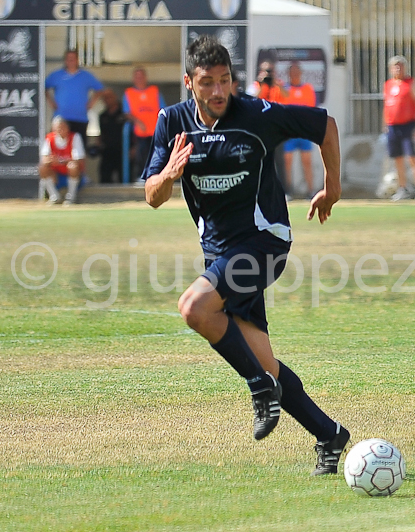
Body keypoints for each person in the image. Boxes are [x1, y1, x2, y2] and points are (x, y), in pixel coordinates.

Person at [142, 35, 349, 475]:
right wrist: (168, 175)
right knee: (264, 359)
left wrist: (333, 187)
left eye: (224, 81)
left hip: (265, 242)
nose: (218, 92)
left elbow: (325, 126)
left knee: (194, 308)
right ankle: (328, 434)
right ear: (189, 83)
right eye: (207, 83)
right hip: (219, 253)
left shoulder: (255, 114)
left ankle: (259, 389)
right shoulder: (172, 122)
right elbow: (152, 196)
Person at [383, 55, 415, 201]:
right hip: (393, 126)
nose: (397, 68)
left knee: (412, 158)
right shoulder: (388, 84)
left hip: (408, 125)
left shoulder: (411, 83)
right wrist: (385, 124)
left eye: (400, 65)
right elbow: (387, 106)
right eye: (395, 66)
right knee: (397, 159)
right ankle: (403, 188)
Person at [45, 49, 103, 151]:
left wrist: (91, 103)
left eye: (73, 59)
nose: (70, 61)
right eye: (68, 59)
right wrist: (51, 102)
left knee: (79, 150)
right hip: (61, 119)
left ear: (77, 60)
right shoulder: (56, 75)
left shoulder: (86, 75)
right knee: (57, 149)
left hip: (80, 118)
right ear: (65, 60)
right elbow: (44, 87)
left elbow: (99, 89)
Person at [246, 59, 290, 194]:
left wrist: (275, 82)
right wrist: (261, 84)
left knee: (279, 162)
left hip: (276, 130)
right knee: (257, 161)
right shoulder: (255, 85)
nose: (268, 74)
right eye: (266, 71)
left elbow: (287, 96)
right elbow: (250, 99)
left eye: (270, 71)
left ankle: (284, 190)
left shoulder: (279, 85)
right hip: (258, 131)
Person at [283, 62, 318, 198]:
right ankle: (288, 191)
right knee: (287, 161)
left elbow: (311, 109)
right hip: (289, 132)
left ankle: (311, 191)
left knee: (307, 161)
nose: (295, 74)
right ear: (288, 74)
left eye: (297, 71)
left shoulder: (308, 89)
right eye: (292, 72)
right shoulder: (284, 89)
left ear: (301, 73)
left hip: (303, 132)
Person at [123, 67, 166, 182]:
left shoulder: (154, 91)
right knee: (140, 155)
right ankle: (142, 176)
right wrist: (138, 122)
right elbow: (127, 113)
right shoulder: (129, 93)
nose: (139, 79)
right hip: (139, 131)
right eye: (137, 76)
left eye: (141, 76)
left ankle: (156, 176)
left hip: (155, 130)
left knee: (157, 154)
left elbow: (163, 109)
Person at [38, 116, 85, 205]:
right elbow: (44, 158)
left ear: (67, 128)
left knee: (73, 166)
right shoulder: (49, 138)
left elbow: (78, 159)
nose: (60, 130)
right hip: (56, 175)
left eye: (63, 127)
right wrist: (51, 161)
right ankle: (54, 196)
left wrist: (60, 161)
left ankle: (71, 197)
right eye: (58, 128)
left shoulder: (75, 137)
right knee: (42, 168)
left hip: (70, 173)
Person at [97, 88, 127, 184]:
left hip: (123, 150)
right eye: (105, 98)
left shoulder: (124, 113)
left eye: (109, 97)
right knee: (104, 175)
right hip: (107, 150)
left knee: (123, 176)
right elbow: (101, 133)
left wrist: (134, 147)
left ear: (115, 97)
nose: (107, 100)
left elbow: (131, 132)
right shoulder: (102, 116)